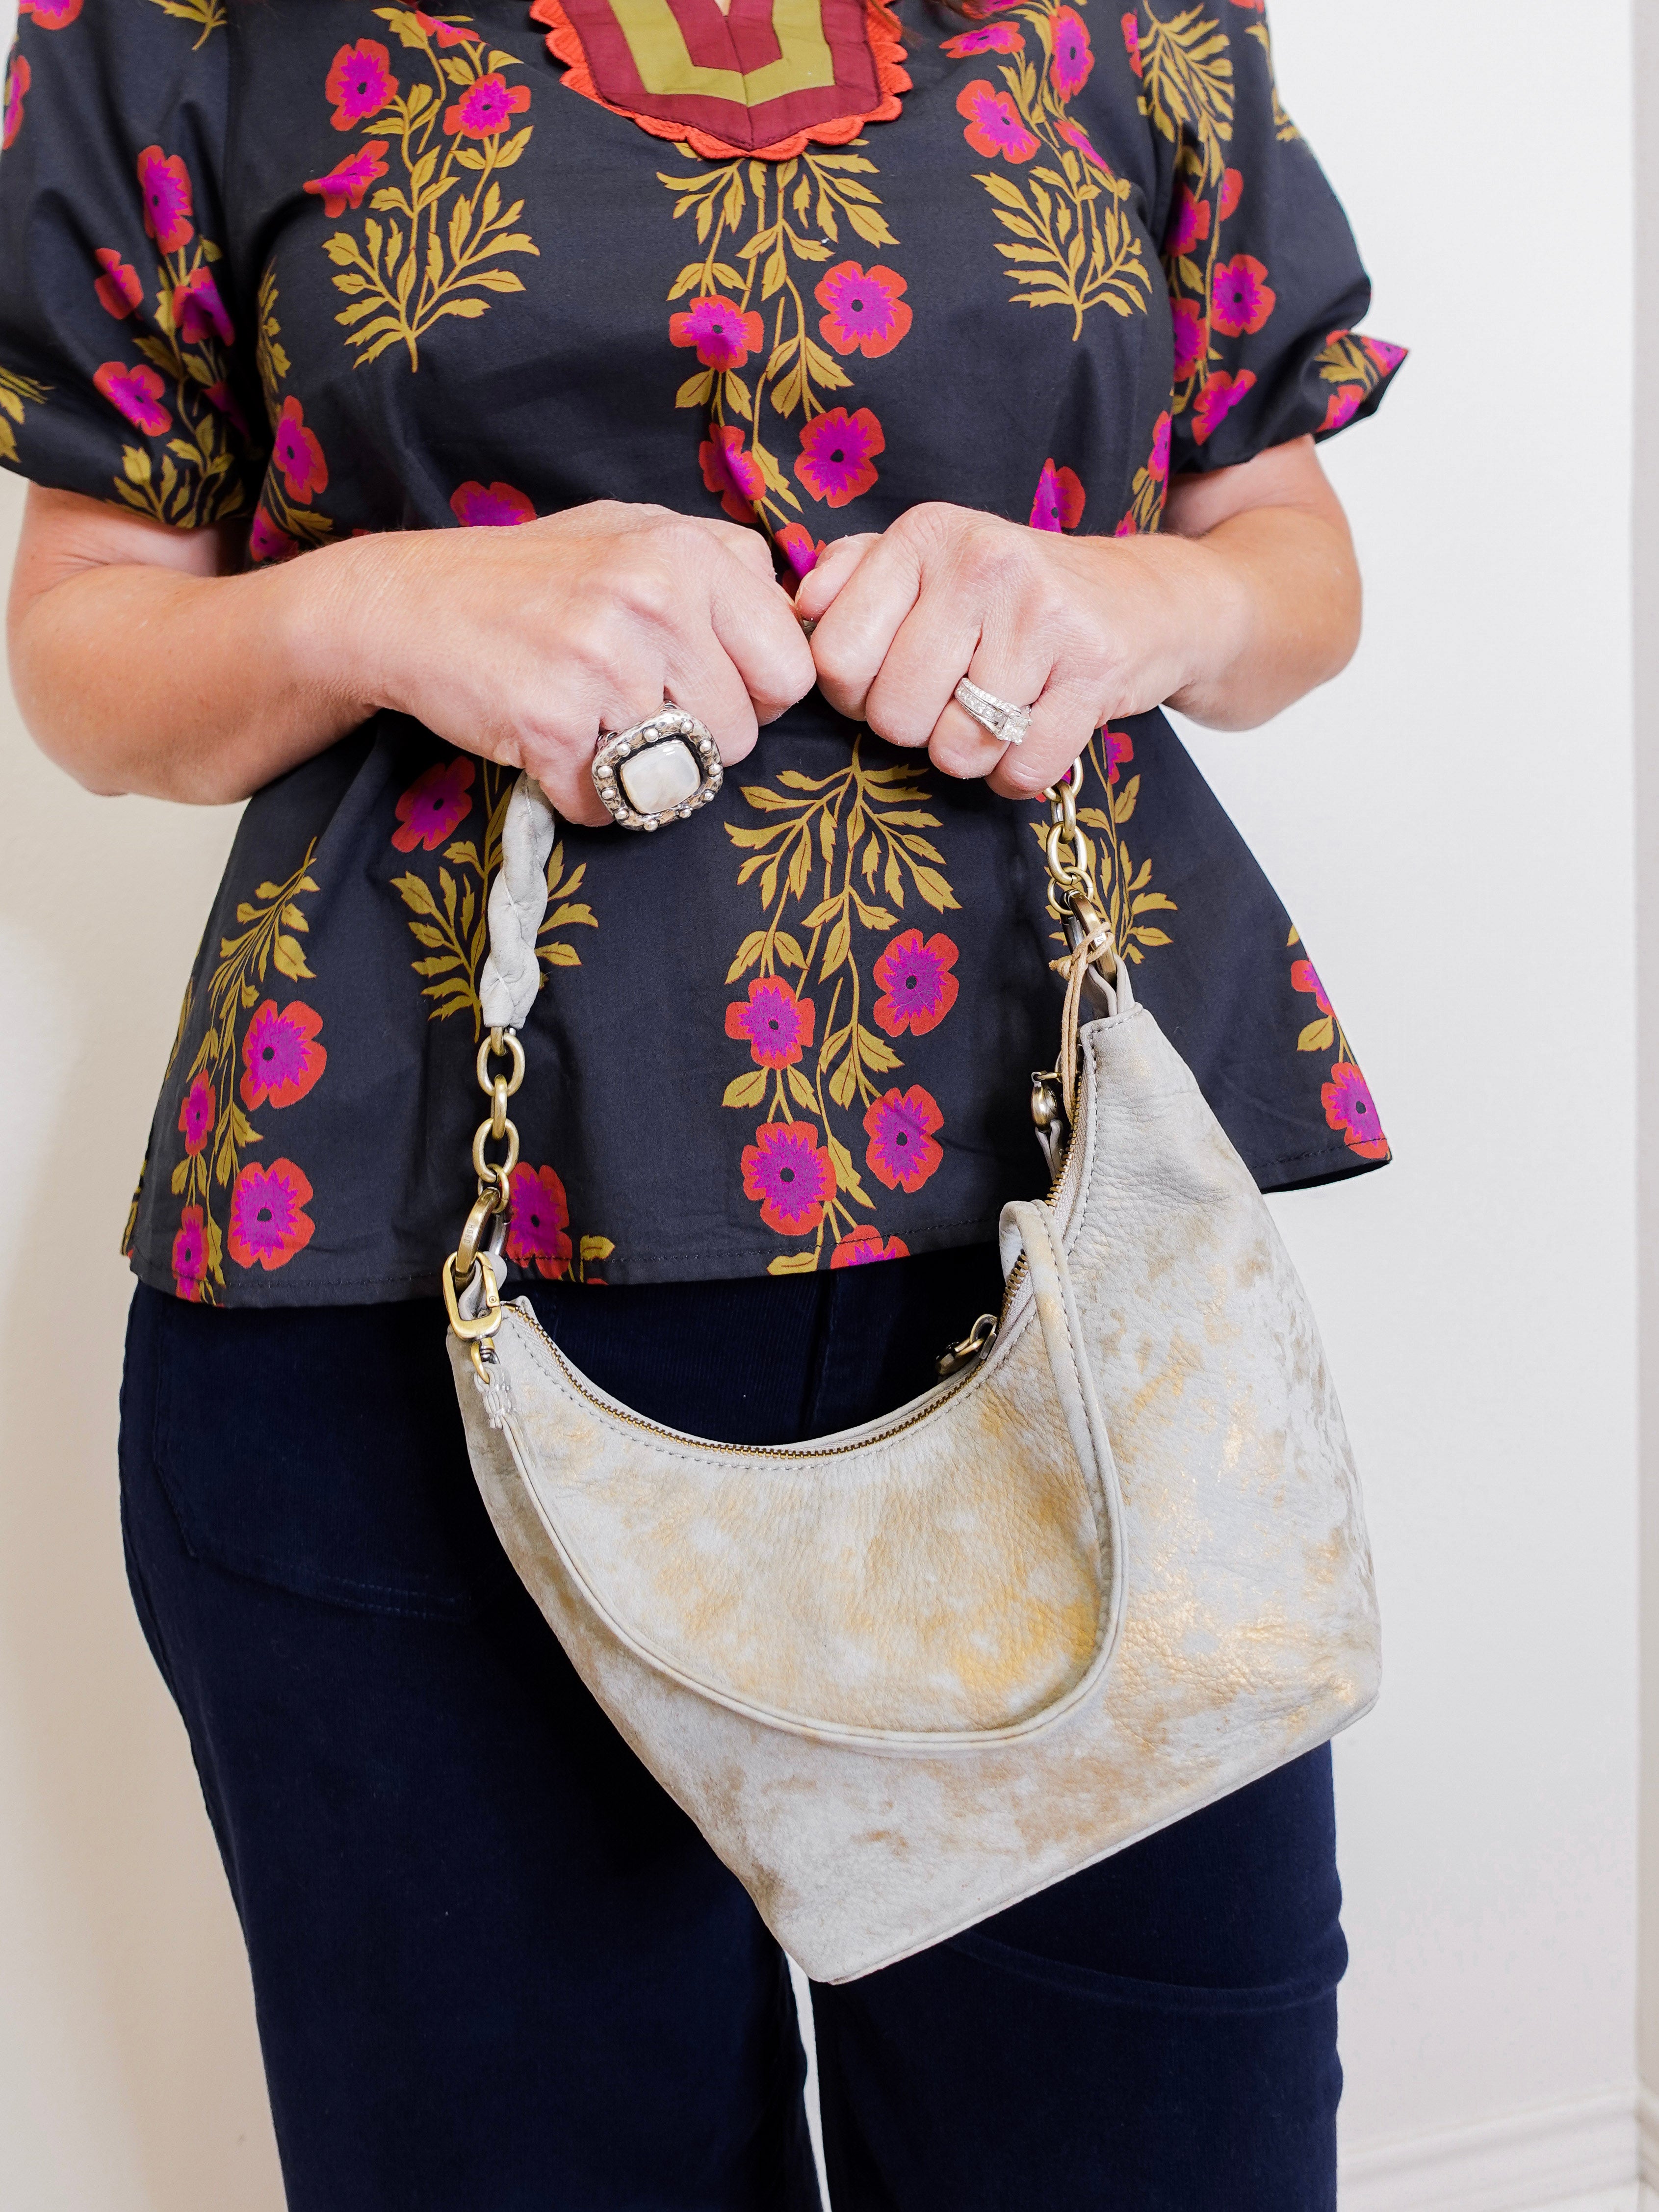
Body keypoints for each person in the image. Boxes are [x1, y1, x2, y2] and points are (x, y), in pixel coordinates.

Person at [0, 0, 1401, 2204]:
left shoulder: (1137, 20)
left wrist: (1119, 597)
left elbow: (1287, 562)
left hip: (1079, 1297)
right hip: (406, 1312)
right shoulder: (184, 27)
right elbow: (87, 654)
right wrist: (388, 606)